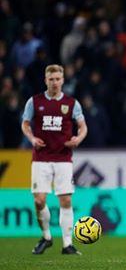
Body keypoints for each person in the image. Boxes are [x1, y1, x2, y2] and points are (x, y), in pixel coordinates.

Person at [21, 64, 88, 255]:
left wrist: (78, 139)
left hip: (63, 158)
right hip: (41, 158)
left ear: (63, 80)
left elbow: (83, 127)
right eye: (51, 79)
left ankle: (67, 244)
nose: (55, 82)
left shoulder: (72, 103)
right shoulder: (34, 102)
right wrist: (32, 138)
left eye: (58, 79)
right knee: (39, 201)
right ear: (46, 80)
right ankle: (47, 237)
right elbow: (25, 124)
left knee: (66, 200)